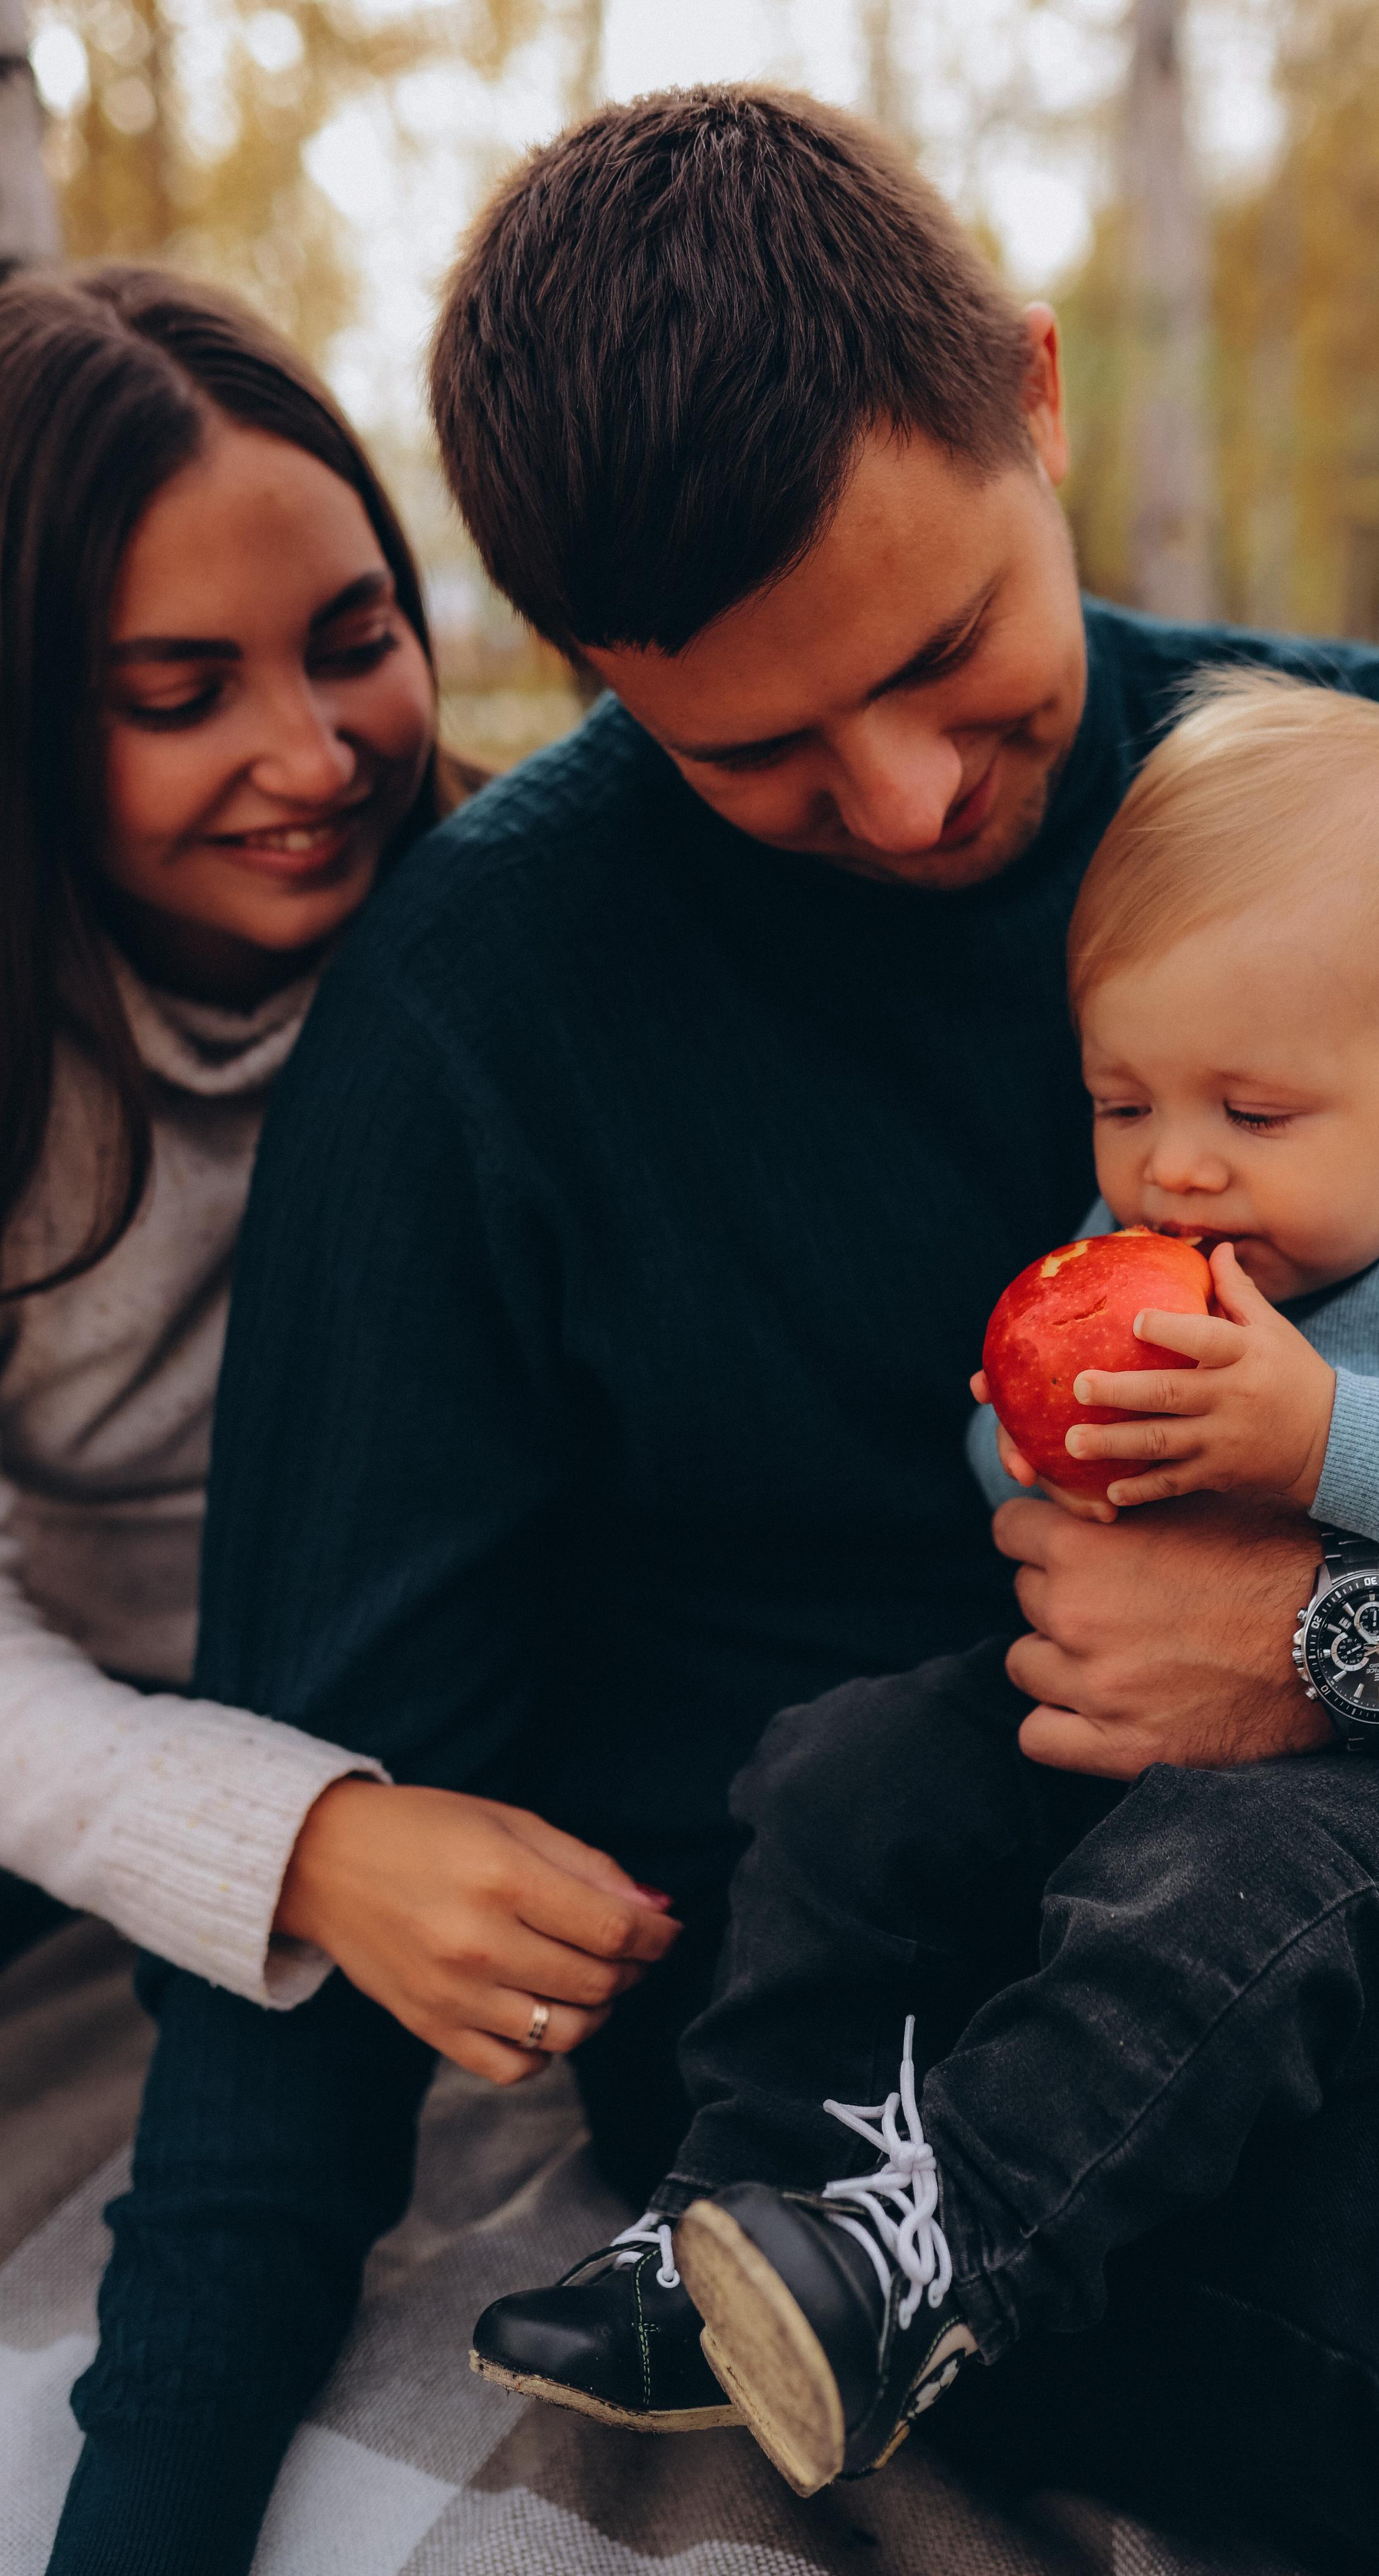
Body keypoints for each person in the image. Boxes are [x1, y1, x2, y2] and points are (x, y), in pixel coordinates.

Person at [47, 92, 1379, 2576]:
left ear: (1030, 398)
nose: (917, 794)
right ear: (591, 671)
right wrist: (143, 2520)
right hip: (939, 2069)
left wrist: (1349, 1642)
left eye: (950, 653)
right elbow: (324, 1823)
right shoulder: (478, 1027)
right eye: (756, 753)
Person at [465, 672, 1379, 2510]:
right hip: (1118, 1726)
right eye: (1126, 1099)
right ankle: (726, 2217)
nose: (1176, 1163)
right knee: (842, 1771)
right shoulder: (1180, 1247)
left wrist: (1319, 1436)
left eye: (1254, 1109)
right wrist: (1035, 1439)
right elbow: (1037, 1503)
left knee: (1196, 1895)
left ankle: (944, 2258)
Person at [0, 266, 677, 2067]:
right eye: (181, 692)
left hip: (513, 1717)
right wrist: (300, 1841)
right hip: (91, 1742)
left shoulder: (521, 936)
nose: (312, 755)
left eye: (355, 640)